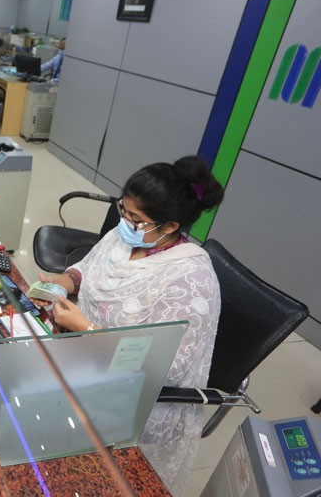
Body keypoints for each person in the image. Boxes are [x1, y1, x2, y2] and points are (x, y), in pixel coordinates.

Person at [39, 155, 224, 496]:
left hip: (133, 397)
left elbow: (161, 368)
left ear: (169, 227)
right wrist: (65, 281)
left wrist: (88, 328)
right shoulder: (130, 236)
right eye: (123, 209)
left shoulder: (191, 280)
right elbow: (89, 268)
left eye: (135, 217)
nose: (124, 221)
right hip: (81, 360)